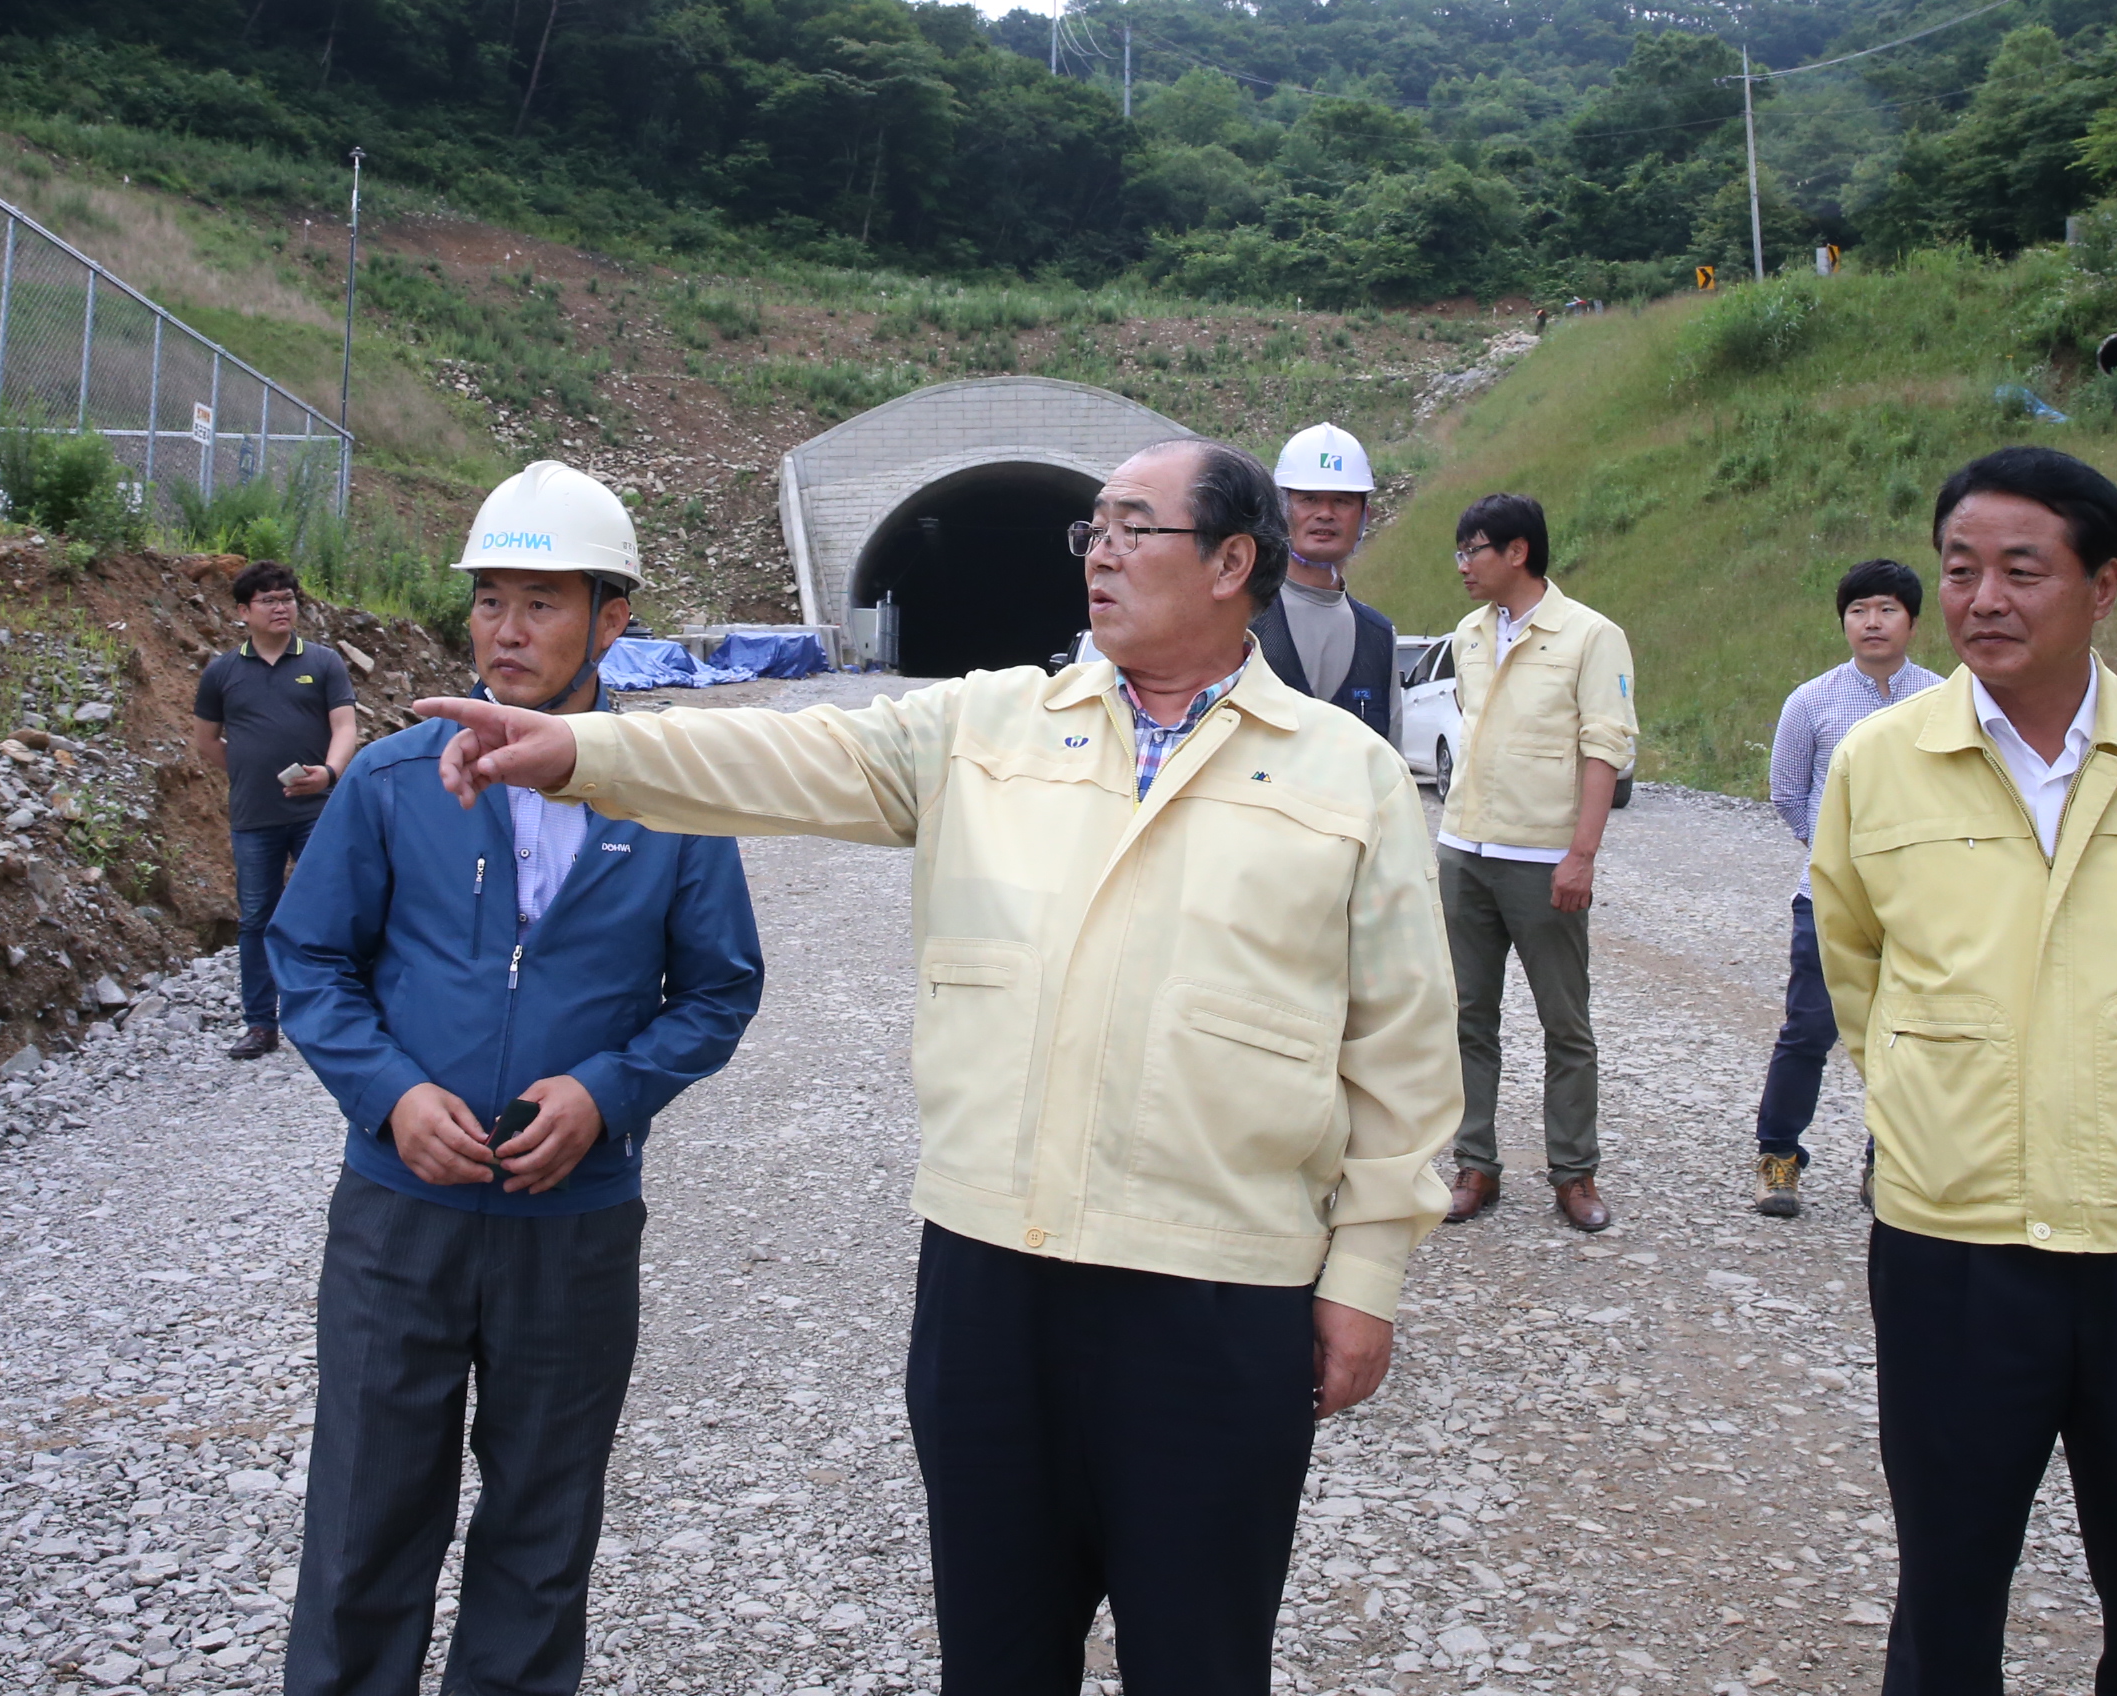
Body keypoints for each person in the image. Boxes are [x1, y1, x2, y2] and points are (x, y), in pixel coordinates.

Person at [420, 439, 1458, 1696]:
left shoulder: (1342, 775)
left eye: (1138, 527)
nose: (1103, 552)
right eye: (1094, 531)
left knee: (1201, 1654)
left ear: (1234, 561)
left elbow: (1399, 1048)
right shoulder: (990, 726)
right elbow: (783, 761)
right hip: (992, 1281)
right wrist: (585, 755)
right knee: (998, 1653)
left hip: (1218, 1291)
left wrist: (1367, 1274)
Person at [269, 460, 763, 1696]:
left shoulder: (669, 799)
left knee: (542, 1528)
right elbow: (311, 957)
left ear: (613, 618)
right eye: (490, 601)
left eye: (542, 603)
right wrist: (388, 1092)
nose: (505, 630)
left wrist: (609, 1090)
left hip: (573, 1222)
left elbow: (717, 990)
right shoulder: (392, 783)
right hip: (402, 1213)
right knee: (365, 1520)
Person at [1812, 446, 2117, 1696]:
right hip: (1955, 1233)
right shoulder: (1882, 761)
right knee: (1948, 1589)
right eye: (1962, 570)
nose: (1983, 598)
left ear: (2102, 586)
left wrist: (2110, 1077)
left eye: (2023, 569)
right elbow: (1859, 971)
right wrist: (1931, 1093)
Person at [1434, 491, 1634, 1235]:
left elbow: (1605, 747)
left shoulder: (1590, 636)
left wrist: (1581, 854)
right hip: (1466, 851)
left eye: (1472, 550)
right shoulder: (1468, 634)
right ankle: (1475, 1163)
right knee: (1466, 1017)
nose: (1462, 565)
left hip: (1543, 858)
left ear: (1517, 551)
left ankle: (1575, 1173)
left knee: (1564, 1023)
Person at [1752, 558, 1943, 1220]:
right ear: (1843, 622)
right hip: (1828, 898)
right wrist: (1834, 852)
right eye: (1859, 610)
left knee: (1907, 1031)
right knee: (1809, 1029)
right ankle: (1778, 1159)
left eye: (1887, 609)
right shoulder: (1812, 701)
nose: (1872, 622)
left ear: (1913, 621)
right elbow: (1786, 791)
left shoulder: (1946, 699)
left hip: (1916, 899)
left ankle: (1884, 1161)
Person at [193, 559, 360, 1060]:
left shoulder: (324, 662)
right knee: (257, 919)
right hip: (253, 817)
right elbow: (207, 741)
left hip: (316, 812)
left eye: (287, 597)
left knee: (327, 912)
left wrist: (327, 775)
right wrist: (248, 770)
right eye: (268, 599)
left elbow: (345, 728)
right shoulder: (222, 672)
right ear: (243, 611)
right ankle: (261, 1024)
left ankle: (336, 1015)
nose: (281, 606)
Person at [1251, 420, 1395, 738]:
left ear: (1364, 517)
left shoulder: (1380, 636)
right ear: (1281, 509)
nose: (1326, 513)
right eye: (1310, 499)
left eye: (1342, 501)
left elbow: (1391, 763)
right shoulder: (1241, 619)